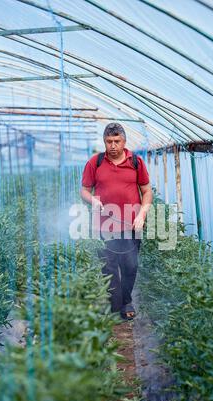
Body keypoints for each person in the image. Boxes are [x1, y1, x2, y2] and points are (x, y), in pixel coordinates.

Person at [80, 122, 153, 320]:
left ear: (124, 141)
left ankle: (125, 298)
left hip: (131, 224)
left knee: (130, 266)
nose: (113, 145)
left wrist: (142, 214)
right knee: (109, 267)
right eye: (109, 141)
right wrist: (92, 199)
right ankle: (120, 305)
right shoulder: (95, 162)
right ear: (104, 142)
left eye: (116, 141)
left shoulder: (136, 162)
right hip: (103, 225)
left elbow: (146, 191)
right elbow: (84, 190)